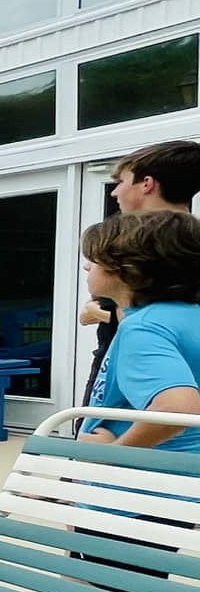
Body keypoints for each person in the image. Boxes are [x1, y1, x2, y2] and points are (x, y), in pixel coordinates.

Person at [81, 140, 198, 400]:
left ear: (147, 184)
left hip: (156, 370)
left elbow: (177, 406)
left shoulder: (182, 247)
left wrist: (109, 316)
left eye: (121, 182)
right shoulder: (125, 236)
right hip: (117, 355)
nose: (114, 193)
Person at [80, 210, 200, 452]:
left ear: (129, 269)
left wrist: (115, 454)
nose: (86, 266)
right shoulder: (188, 314)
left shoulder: (143, 328)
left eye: (94, 259)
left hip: (150, 481)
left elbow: (179, 408)